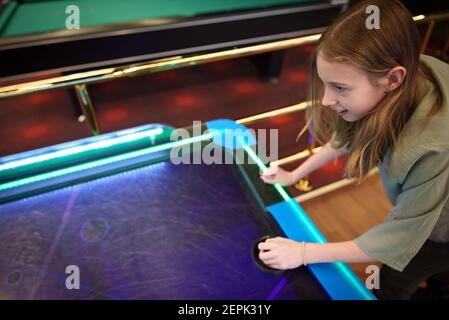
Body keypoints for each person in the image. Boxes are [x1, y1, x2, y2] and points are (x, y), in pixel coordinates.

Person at [259, 0, 449, 300]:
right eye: (325, 84)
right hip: (430, 212)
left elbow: (399, 238)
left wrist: (304, 252)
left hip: (442, 230)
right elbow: (347, 136)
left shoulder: (436, 145)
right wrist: (294, 174)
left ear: (392, 79)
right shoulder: (404, 72)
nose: (325, 100)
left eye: (340, 88)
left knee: (391, 281)